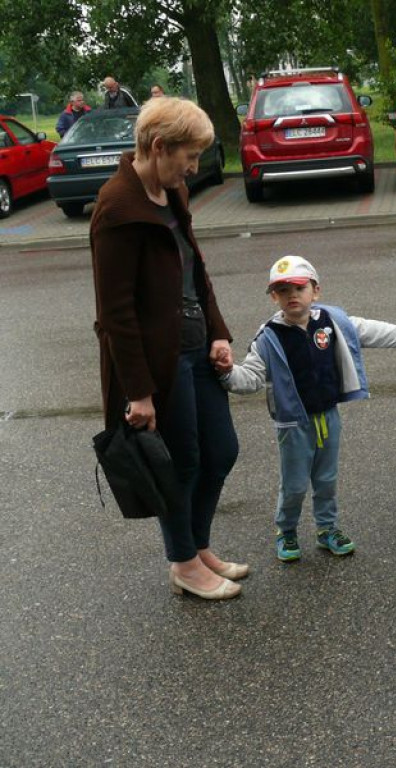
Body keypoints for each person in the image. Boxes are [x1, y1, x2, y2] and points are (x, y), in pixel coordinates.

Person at [90, 96, 243, 600]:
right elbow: (116, 314)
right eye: (189, 156)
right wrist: (139, 392)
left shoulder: (171, 191)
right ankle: (183, 563)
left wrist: (218, 332)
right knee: (182, 462)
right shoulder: (117, 209)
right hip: (160, 360)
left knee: (221, 450)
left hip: (197, 346)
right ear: (159, 147)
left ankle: (197, 546)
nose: (194, 168)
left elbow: (194, 270)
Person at [217, 256, 396, 563]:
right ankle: (286, 531)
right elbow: (249, 378)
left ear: (315, 291)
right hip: (293, 425)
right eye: (282, 290)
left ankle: (327, 529)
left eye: (299, 288)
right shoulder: (268, 338)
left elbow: (370, 330)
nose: (292, 295)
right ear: (274, 297)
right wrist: (226, 372)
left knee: (326, 479)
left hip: (328, 415)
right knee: (294, 484)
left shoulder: (332, 322)